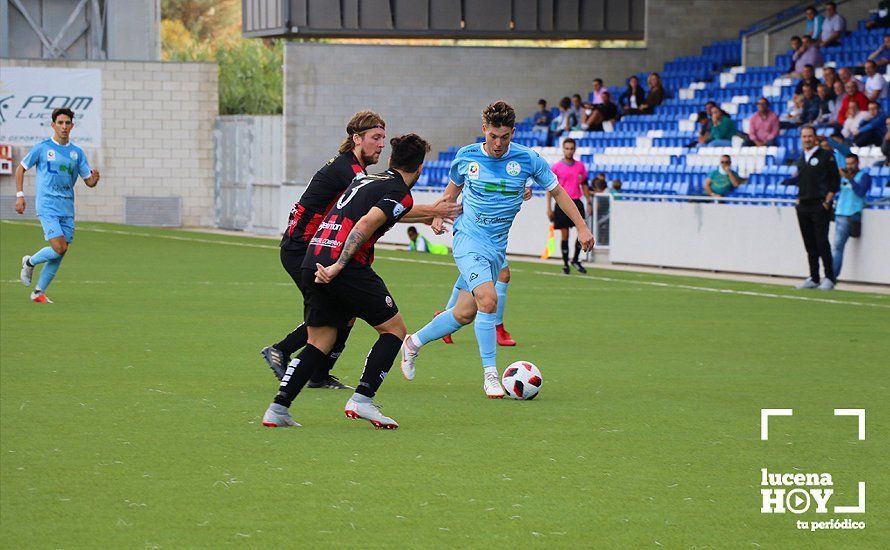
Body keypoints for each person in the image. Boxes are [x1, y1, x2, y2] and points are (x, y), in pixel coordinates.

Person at [400, 101, 594, 398]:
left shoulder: (528, 160)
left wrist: (581, 226)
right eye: (493, 136)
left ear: (513, 133)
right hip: (468, 238)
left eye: (504, 137)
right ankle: (490, 374)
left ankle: (413, 342)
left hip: (496, 246)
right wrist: (437, 216)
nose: (498, 143)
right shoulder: (466, 157)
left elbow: (558, 192)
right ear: (484, 131)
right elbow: (450, 196)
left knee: (464, 314)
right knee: (488, 300)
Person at [262, 112, 458, 388]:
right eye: (375, 138)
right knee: (334, 313)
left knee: (343, 312)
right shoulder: (351, 171)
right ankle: (284, 353)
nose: (381, 144)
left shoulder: (355, 170)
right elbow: (382, 210)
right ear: (356, 139)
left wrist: (427, 215)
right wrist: (432, 212)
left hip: (312, 246)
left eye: (382, 138)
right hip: (304, 246)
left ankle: (313, 372)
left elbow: (387, 210)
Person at [15, 108, 100, 304]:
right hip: (47, 205)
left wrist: (94, 180)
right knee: (59, 247)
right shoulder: (43, 148)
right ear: (53, 125)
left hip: (67, 208)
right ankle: (29, 262)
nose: (64, 127)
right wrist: (20, 195)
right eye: (60, 123)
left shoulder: (77, 153)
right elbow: (21, 168)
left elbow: (88, 180)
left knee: (61, 251)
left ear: (72, 126)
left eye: (67, 123)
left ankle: (38, 293)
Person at [782, 125, 840, 290]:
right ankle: (814, 277)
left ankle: (829, 277)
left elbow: (834, 181)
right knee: (810, 244)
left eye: (809, 136)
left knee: (822, 242)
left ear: (815, 138)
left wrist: (827, 201)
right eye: (804, 136)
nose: (807, 139)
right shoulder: (801, 158)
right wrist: (799, 199)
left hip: (819, 204)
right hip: (804, 205)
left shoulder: (826, 156)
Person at [548, 138, 592, 274]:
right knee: (565, 235)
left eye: (571, 148)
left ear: (574, 149)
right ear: (563, 149)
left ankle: (576, 259)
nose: (569, 151)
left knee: (582, 231)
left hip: (577, 201)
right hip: (562, 203)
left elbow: (584, 184)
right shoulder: (556, 167)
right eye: (567, 148)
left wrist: (588, 201)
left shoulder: (580, 166)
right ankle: (566, 264)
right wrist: (549, 207)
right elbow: (551, 188)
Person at [832, 153, 871, 280]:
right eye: (847, 164)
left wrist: (850, 180)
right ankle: (831, 275)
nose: (849, 167)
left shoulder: (864, 176)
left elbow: (860, 192)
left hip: (851, 214)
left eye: (852, 164)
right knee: (837, 247)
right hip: (839, 213)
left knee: (837, 247)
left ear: (858, 163)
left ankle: (831, 276)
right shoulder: (843, 177)